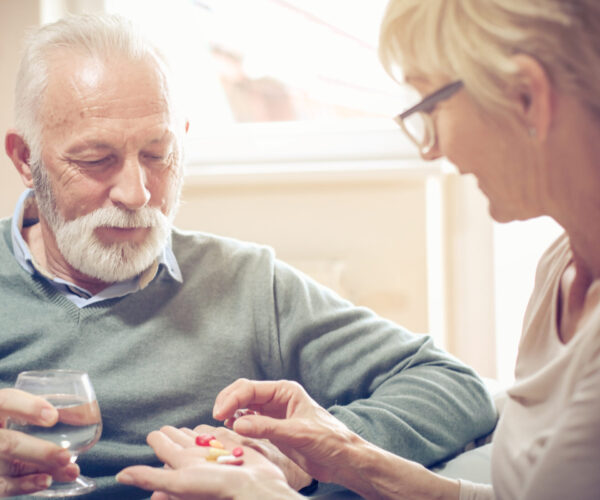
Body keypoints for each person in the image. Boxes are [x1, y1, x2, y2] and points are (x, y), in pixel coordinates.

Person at [0, 12, 496, 500]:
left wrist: (298, 456)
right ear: (25, 159)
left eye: (158, 154)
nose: (137, 193)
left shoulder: (247, 284)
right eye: (95, 159)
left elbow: (453, 386)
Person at [117, 0, 600, 499]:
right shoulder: (561, 268)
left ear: (527, 97)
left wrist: (259, 493)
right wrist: (346, 454)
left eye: (431, 106)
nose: (429, 148)